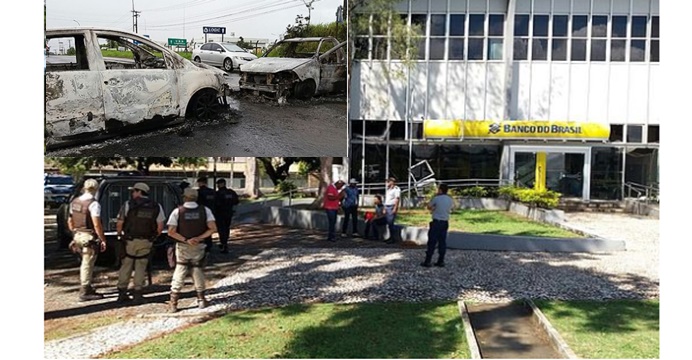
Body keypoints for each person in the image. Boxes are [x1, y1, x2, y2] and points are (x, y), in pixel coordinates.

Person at [166, 188, 217, 313]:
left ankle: (174, 302)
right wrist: (199, 238)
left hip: (183, 246)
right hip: (198, 246)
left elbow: (171, 231)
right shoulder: (205, 210)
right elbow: (213, 228)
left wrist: (186, 239)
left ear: (184, 197)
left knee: (180, 270)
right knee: (197, 270)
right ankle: (201, 299)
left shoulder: (177, 211)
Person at [115, 182, 166, 304]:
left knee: (126, 266)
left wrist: (119, 234)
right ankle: (138, 293)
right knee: (141, 267)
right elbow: (160, 225)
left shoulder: (128, 204)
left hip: (129, 241)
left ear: (139, 192)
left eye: (134, 191)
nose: (132, 193)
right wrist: (154, 236)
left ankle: (122, 292)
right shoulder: (156, 206)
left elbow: (120, 222)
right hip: (146, 241)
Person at [67, 178, 107, 302]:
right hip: (88, 236)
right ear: (96, 189)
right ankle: (85, 290)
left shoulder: (74, 202)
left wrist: (74, 231)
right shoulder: (93, 204)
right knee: (87, 264)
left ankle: (87, 287)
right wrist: (102, 238)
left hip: (77, 235)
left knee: (84, 263)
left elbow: (70, 220)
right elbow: (96, 224)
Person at [421, 183, 455, 268]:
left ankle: (428, 260)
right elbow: (451, 209)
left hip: (436, 222)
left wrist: (433, 208)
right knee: (442, 241)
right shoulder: (450, 200)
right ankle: (441, 260)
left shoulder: (436, 198)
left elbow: (429, 206)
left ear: (440, 190)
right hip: (445, 222)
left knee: (432, 241)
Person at [214, 178, 239, 254]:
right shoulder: (231, 192)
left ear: (221, 184)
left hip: (220, 214)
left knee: (221, 229)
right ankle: (225, 242)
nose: (218, 186)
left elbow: (215, 204)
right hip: (229, 213)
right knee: (226, 228)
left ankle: (224, 244)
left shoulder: (218, 194)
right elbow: (236, 201)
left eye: (218, 184)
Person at [196, 177, 216, 253]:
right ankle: (209, 245)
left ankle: (202, 245)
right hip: (212, 213)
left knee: (201, 230)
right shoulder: (212, 192)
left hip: (201, 214)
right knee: (209, 229)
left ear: (200, 183)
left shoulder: (199, 192)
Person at [384, 177, 401, 244]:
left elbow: (397, 199)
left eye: (387, 182)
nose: (386, 184)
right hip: (387, 206)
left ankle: (393, 238)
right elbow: (387, 199)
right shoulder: (388, 189)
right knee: (388, 223)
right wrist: (385, 207)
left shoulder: (396, 189)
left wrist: (395, 208)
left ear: (391, 182)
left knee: (391, 223)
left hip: (391, 207)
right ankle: (390, 237)